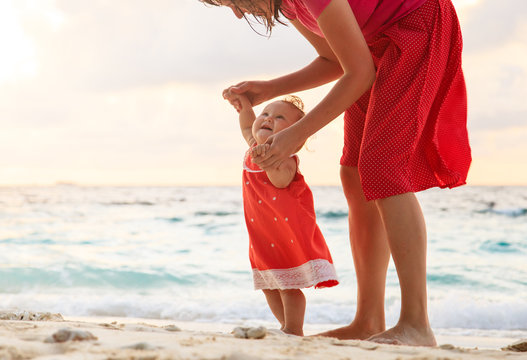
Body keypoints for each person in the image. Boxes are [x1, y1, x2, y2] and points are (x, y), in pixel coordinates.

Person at [205, 0, 471, 346]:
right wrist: (271, 89)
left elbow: (358, 72)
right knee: (354, 171)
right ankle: (368, 319)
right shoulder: (287, 6)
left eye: (233, 1)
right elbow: (334, 61)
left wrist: (299, 133)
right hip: (375, 46)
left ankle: (416, 323)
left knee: (384, 167)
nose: (239, 14)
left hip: (416, 26)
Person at [233, 93, 339, 336]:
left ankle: (294, 328)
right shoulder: (254, 146)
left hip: (286, 233)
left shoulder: (285, 160)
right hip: (262, 232)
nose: (268, 119)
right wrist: (243, 103)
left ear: (295, 136)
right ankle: (284, 326)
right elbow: (247, 123)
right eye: (266, 114)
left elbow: (280, 182)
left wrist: (269, 163)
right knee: (269, 284)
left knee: (288, 285)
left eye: (279, 117)